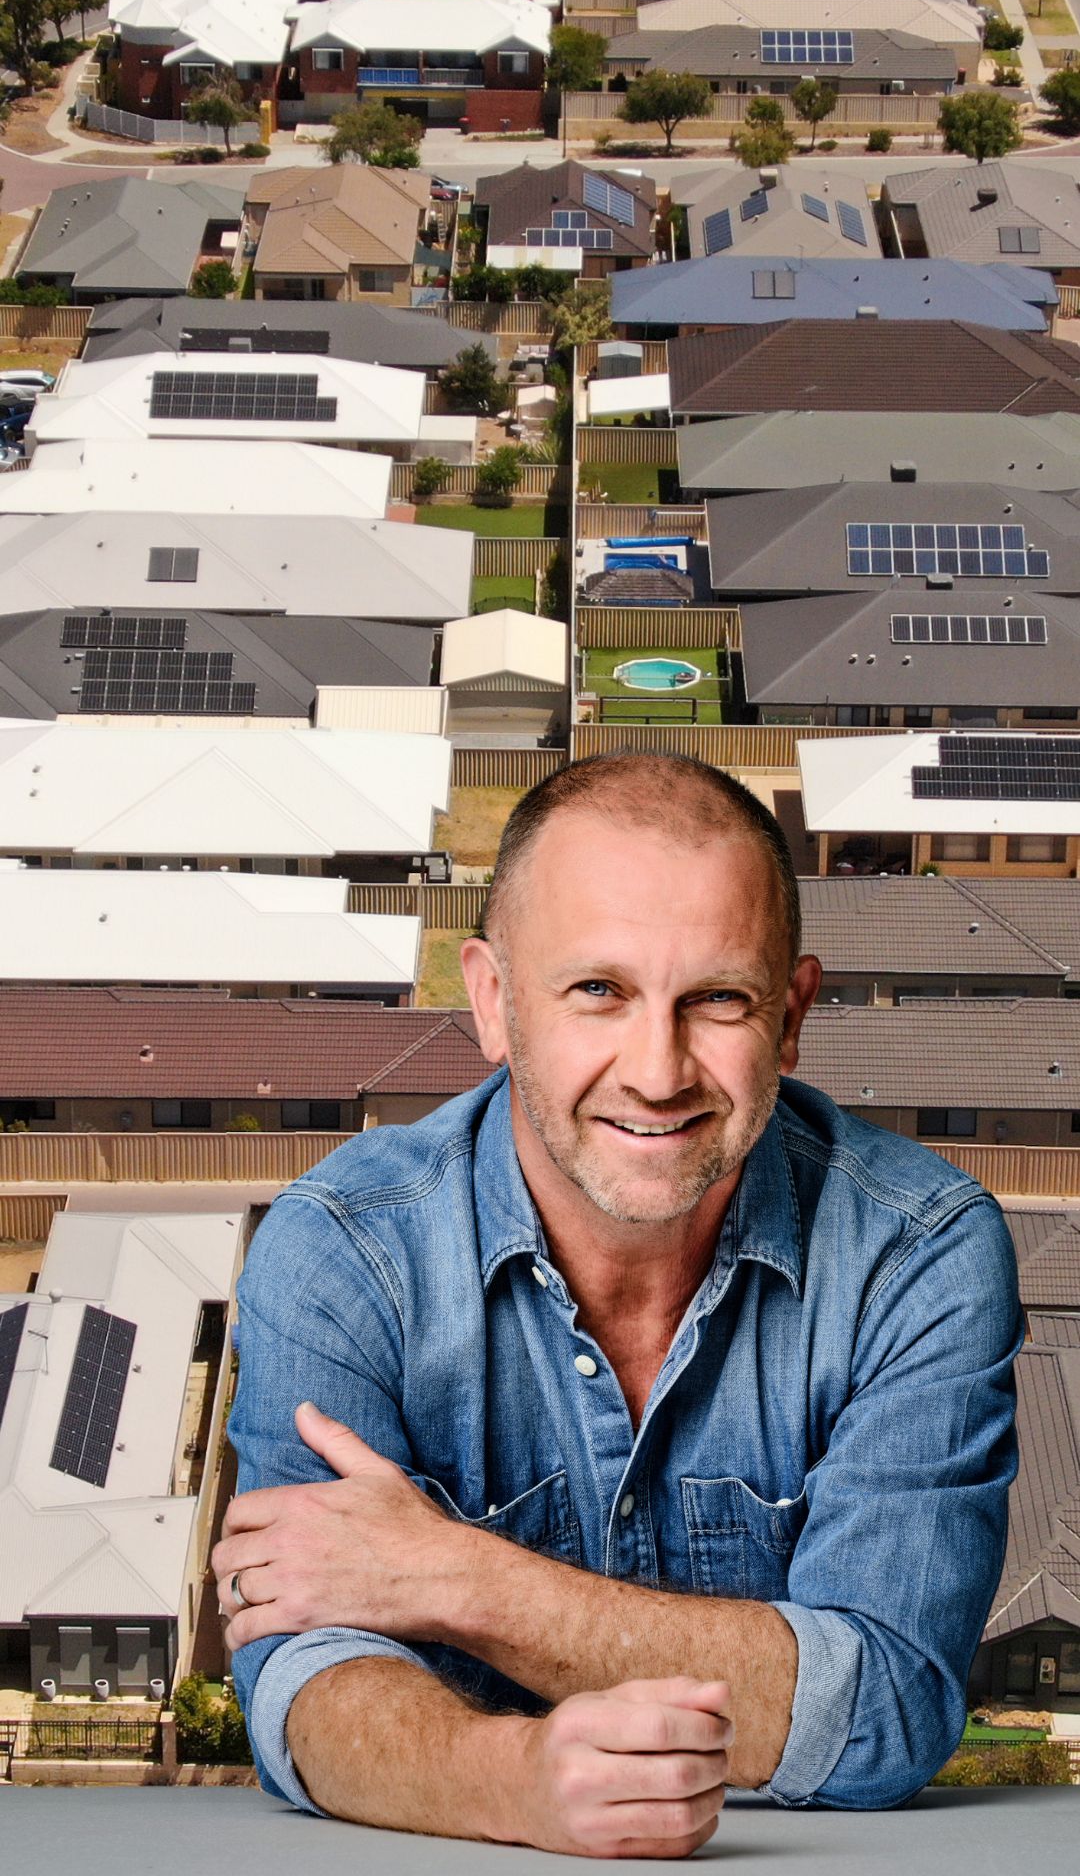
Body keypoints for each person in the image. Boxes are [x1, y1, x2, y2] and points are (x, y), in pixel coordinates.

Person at [214, 752, 1022, 1857]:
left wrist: (455, 1576)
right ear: (494, 1003)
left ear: (790, 1018)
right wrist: (509, 1781)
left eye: (718, 1000)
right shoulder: (343, 1252)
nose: (657, 1070)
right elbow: (304, 1683)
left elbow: (882, 1704)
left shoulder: (919, 1254)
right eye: (598, 990)